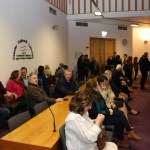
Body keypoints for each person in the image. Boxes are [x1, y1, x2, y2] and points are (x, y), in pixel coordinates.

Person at [86, 79, 142, 148]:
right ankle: (126, 135)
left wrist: (108, 109)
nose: (98, 86)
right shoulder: (90, 98)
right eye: (97, 85)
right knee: (119, 119)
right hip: (98, 118)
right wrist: (108, 111)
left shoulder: (96, 93)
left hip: (104, 113)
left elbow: (103, 104)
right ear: (93, 88)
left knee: (120, 114)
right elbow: (95, 113)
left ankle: (128, 133)